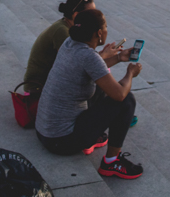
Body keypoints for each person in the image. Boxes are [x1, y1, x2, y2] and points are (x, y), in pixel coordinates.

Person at [35, 10, 144, 180]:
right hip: (62, 141)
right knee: (127, 100)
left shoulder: (69, 43)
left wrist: (119, 58)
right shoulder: (88, 56)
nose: (107, 30)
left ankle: (95, 136)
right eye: (106, 27)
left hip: (45, 132)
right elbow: (120, 95)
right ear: (99, 33)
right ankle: (111, 162)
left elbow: (93, 69)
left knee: (101, 85)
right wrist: (130, 73)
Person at [24, 0, 96, 94]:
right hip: (38, 87)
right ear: (76, 15)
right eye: (91, 14)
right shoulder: (62, 31)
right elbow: (75, 65)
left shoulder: (67, 25)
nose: (95, 17)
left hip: (46, 81)